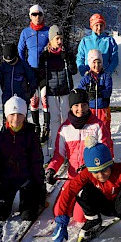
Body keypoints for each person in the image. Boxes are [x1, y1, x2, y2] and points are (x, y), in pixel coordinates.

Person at [51, 135, 121, 242]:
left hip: (119, 206)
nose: (101, 175)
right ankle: (93, 220)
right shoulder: (87, 173)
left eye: (104, 170)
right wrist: (61, 220)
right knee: (81, 190)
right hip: (102, 205)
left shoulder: (119, 171)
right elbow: (70, 191)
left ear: (110, 164)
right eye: (96, 172)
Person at [45, 89, 113, 223]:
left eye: (84, 105)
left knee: (79, 218)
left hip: (91, 179)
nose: (80, 109)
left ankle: (96, 203)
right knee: (59, 212)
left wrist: (93, 167)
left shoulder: (97, 125)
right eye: (76, 105)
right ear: (70, 107)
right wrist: (51, 169)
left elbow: (107, 152)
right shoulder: (64, 128)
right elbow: (59, 155)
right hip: (73, 178)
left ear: (88, 105)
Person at [0, 95, 46, 221]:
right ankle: (5, 200)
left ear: (25, 115)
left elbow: (37, 163)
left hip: (27, 180)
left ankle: (29, 199)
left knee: (28, 215)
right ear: (6, 115)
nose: (16, 119)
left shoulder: (31, 136)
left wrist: (41, 189)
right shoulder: (0, 138)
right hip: (7, 181)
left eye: (20, 114)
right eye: (12, 114)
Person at [37, 25, 77, 153]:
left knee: (66, 118)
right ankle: (56, 147)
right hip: (52, 92)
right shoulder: (45, 55)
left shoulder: (67, 53)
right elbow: (41, 74)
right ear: (51, 40)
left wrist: (68, 59)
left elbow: (73, 71)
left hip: (65, 91)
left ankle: (67, 145)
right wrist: (43, 87)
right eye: (57, 38)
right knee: (54, 119)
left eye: (61, 38)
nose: (60, 41)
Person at [18, 5, 50, 134]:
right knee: (34, 99)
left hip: (45, 70)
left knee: (45, 98)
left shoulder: (48, 31)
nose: (37, 17)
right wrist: (24, 66)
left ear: (43, 16)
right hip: (31, 70)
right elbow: (20, 50)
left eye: (40, 14)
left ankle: (46, 125)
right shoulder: (25, 32)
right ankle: (36, 125)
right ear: (30, 16)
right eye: (34, 14)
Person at [77, 49, 113, 133]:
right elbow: (80, 92)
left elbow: (108, 91)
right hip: (90, 109)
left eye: (99, 62)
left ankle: (106, 145)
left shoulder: (106, 76)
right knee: (90, 129)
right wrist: (88, 92)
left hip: (103, 109)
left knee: (104, 129)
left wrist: (99, 92)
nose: (97, 65)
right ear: (90, 63)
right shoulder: (86, 78)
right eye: (94, 62)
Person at [0, 43, 37, 117]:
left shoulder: (24, 66)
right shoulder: (4, 67)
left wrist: (29, 93)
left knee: (20, 120)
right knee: (8, 120)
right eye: (8, 62)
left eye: (12, 61)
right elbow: (1, 80)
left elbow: (32, 80)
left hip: (22, 97)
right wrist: (5, 90)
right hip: (7, 97)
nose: (10, 63)